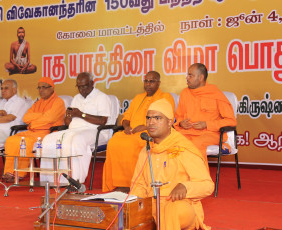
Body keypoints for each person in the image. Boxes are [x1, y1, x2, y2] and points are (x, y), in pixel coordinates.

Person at [131, 98, 214, 229]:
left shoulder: (183, 148)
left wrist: (185, 187)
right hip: (152, 205)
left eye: (157, 118)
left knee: (171, 210)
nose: (151, 122)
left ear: (169, 122)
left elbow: (207, 185)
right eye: (148, 118)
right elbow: (139, 184)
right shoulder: (146, 150)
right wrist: (132, 204)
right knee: (124, 215)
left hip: (180, 205)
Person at [102, 71, 175, 192]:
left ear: (159, 83)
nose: (148, 84)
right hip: (132, 132)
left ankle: (132, 183)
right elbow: (126, 117)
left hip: (151, 133)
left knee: (131, 145)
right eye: (146, 81)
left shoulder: (165, 97)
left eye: (152, 81)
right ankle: (117, 183)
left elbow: (165, 119)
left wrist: (146, 127)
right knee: (114, 142)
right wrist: (126, 127)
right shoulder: (138, 98)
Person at [40, 72, 111, 184]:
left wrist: (81, 114)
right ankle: (50, 179)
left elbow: (102, 121)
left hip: (95, 131)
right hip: (73, 130)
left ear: (92, 83)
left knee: (76, 140)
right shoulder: (76, 98)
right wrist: (68, 116)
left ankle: (75, 180)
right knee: (48, 139)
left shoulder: (102, 97)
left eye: (84, 86)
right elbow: (68, 122)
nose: (82, 89)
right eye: (79, 87)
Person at [2, 77, 65, 182]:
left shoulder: (58, 102)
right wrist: (41, 116)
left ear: (52, 88)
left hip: (48, 133)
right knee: (11, 140)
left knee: (25, 142)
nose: (41, 90)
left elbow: (50, 118)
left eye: (44, 87)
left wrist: (34, 122)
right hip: (33, 131)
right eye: (39, 88)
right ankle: (9, 171)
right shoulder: (38, 103)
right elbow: (26, 118)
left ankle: (20, 173)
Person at [174, 63, 237, 165]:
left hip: (210, 133)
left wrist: (207, 124)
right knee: (171, 142)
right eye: (187, 75)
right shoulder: (185, 93)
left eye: (190, 75)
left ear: (201, 77)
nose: (187, 78)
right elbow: (179, 116)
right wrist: (181, 123)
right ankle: (178, 177)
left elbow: (231, 121)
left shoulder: (216, 94)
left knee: (193, 145)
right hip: (188, 132)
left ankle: (198, 178)